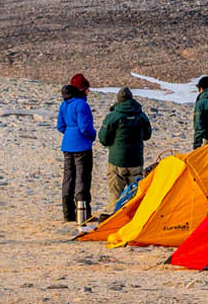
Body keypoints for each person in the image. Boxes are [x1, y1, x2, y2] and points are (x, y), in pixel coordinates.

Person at [99, 88, 151, 202]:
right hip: (136, 160)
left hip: (117, 161)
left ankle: (115, 217)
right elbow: (147, 135)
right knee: (135, 196)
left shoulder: (113, 116)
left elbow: (103, 139)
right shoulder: (141, 115)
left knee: (115, 195)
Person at [55, 82, 96, 225]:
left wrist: (69, 134)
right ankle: (82, 213)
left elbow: (60, 126)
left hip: (67, 145)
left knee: (68, 178)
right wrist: (92, 135)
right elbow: (85, 127)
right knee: (82, 178)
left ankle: (67, 212)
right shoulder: (81, 105)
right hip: (81, 146)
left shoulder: (64, 105)